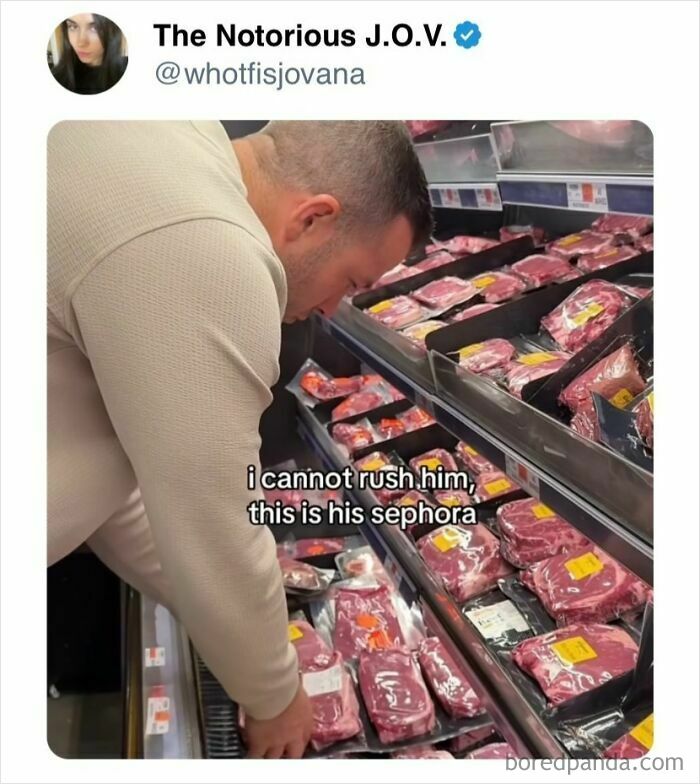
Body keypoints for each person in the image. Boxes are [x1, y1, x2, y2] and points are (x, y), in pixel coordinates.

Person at [47, 121, 432, 758]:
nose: (335, 307)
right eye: (353, 280)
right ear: (312, 219)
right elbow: (214, 521)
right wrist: (276, 697)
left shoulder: (173, 143)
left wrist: (222, 607)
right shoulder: (207, 248)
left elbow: (123, 489)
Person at [50, 13, 127, 94]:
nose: (81, 43)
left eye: (95, 28)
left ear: (112, 31)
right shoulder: (56, 76)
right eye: (73, 26)